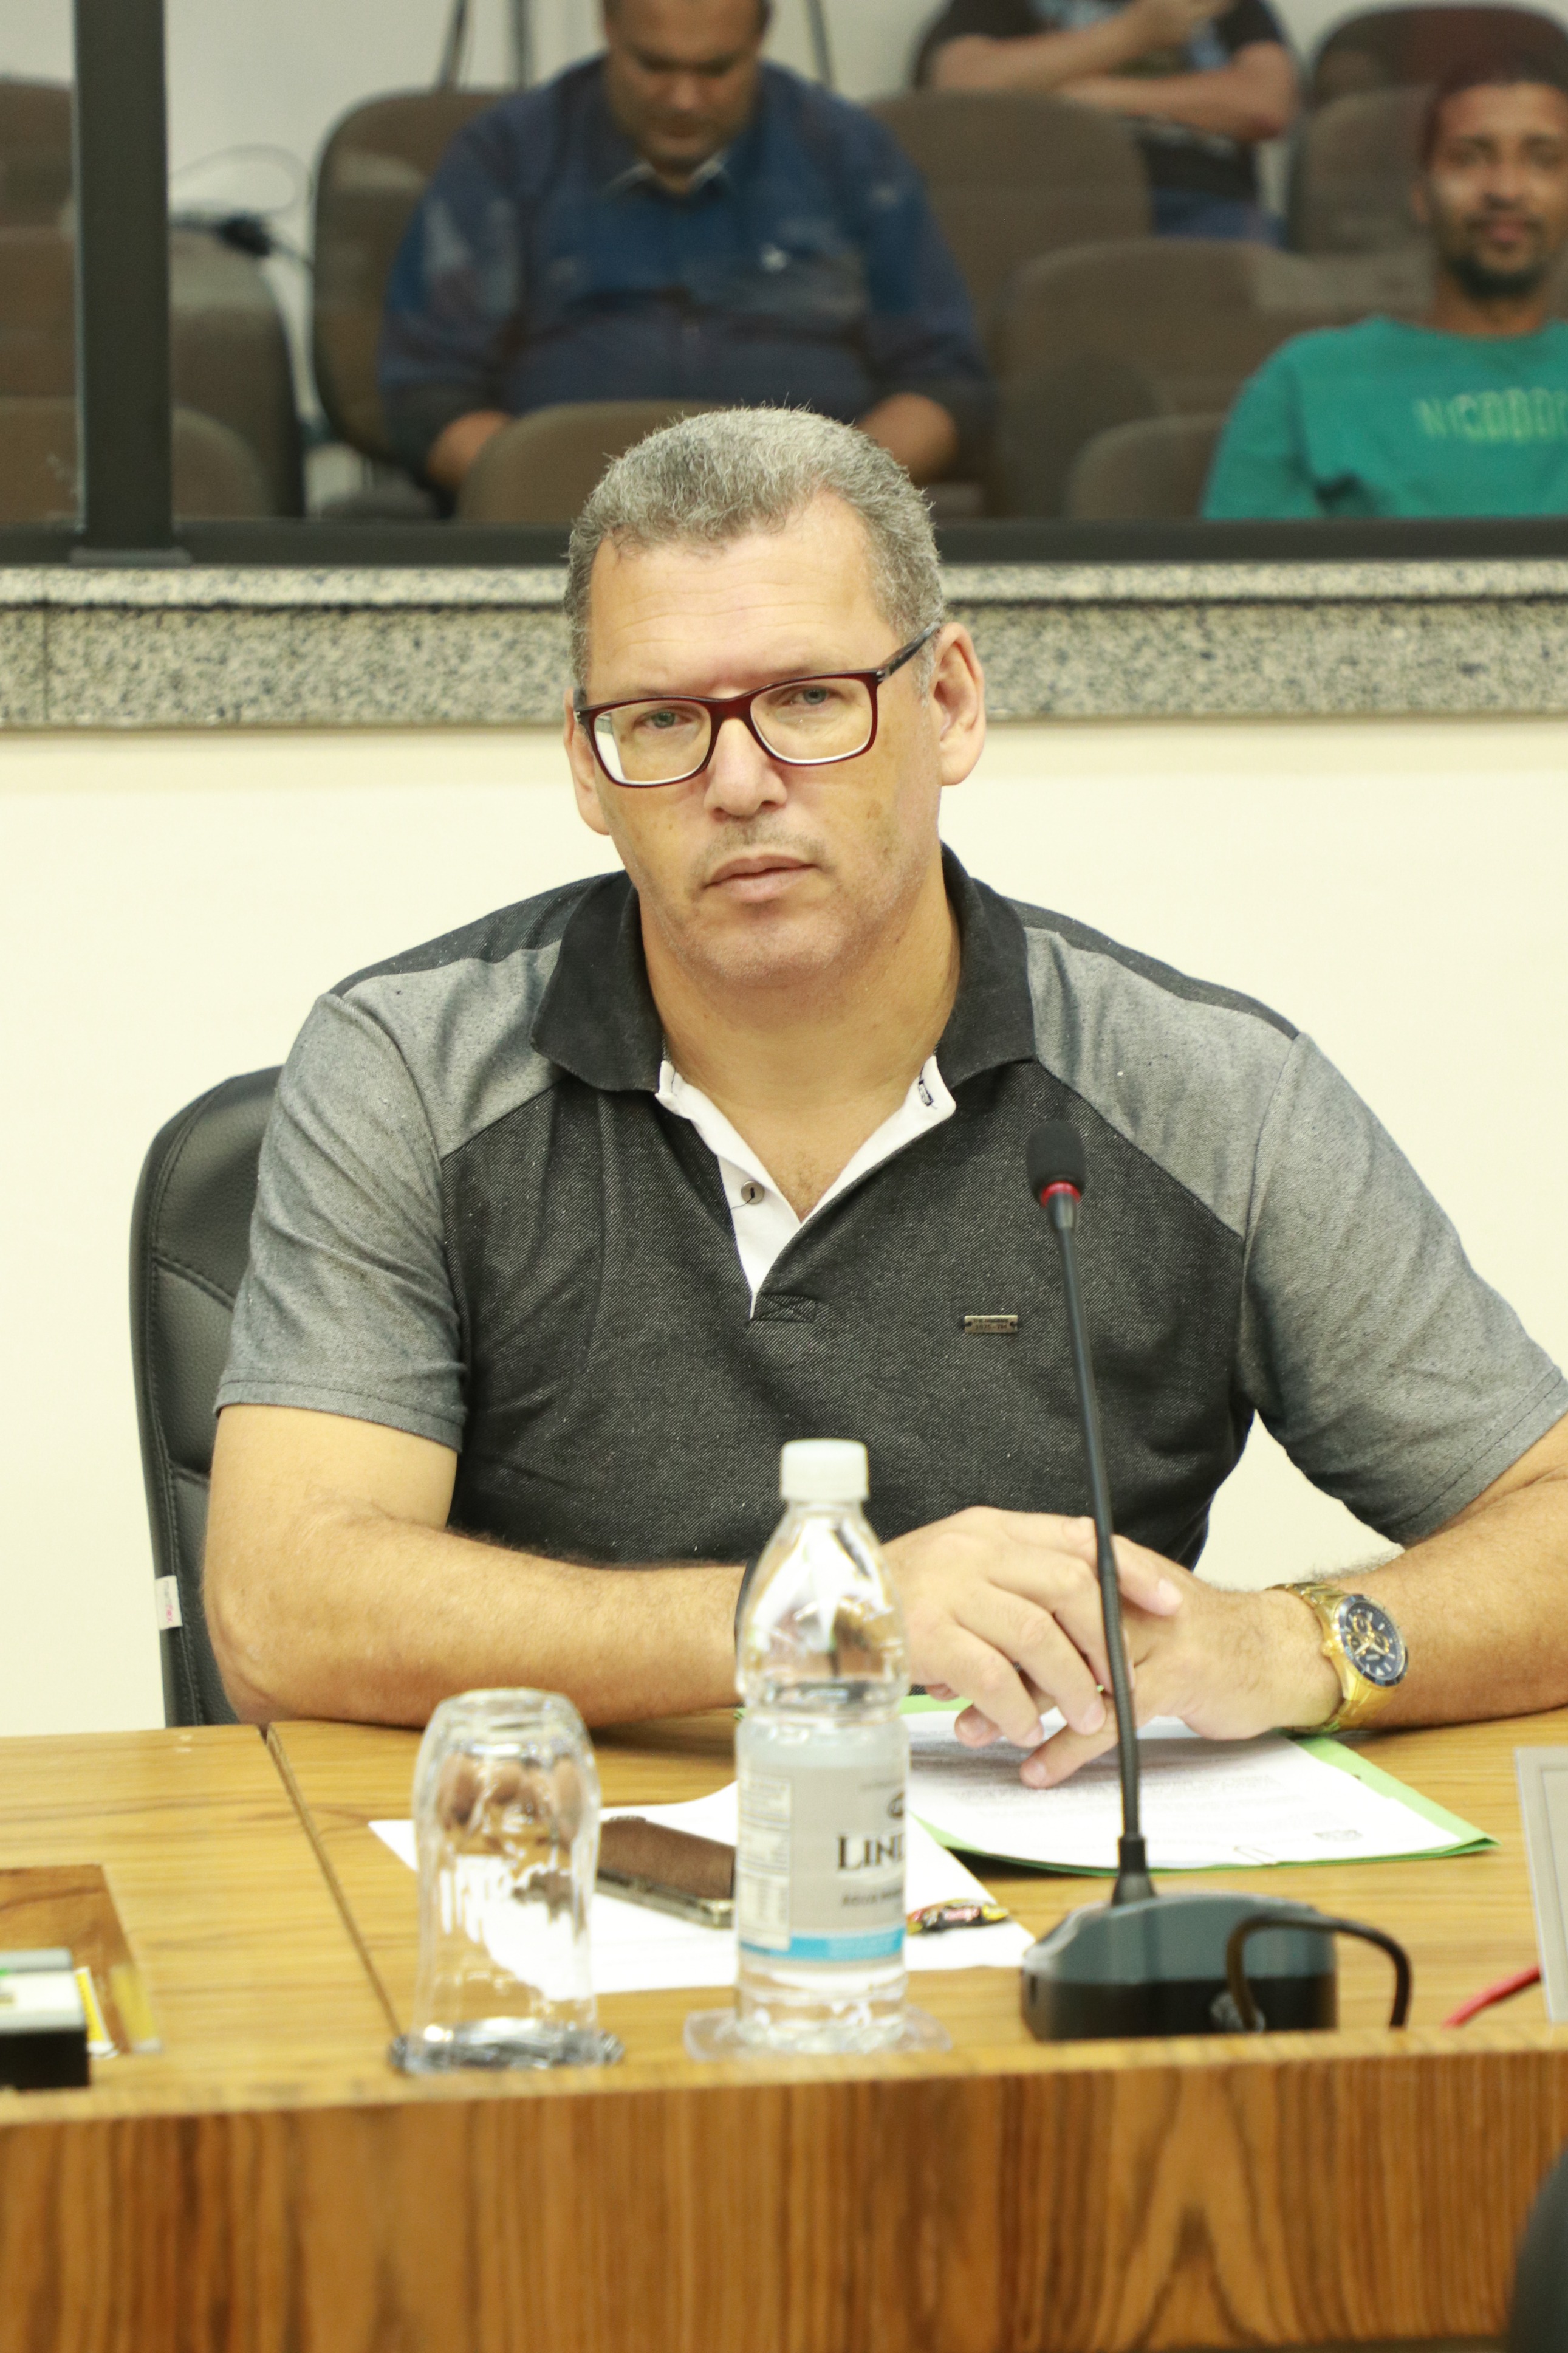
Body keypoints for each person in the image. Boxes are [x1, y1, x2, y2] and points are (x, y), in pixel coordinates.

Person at [207, 405, 1568, 1790]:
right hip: (563, 1876)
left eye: (808, 698)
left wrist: (1298, 1643)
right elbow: (282, 1607)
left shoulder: (1207, 1093)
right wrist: (823, 1614)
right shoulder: (410, 1069)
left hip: (1047, 1877)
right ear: (583, 763)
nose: (739, 783)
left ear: (949, 703)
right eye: (661, 720)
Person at [377, 0, 991, 497]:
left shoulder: (851, 154)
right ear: (608, 25)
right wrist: (561, 500)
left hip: (807, 526)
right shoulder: (504, 156)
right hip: (561, 530)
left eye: (716, 70)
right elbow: (428, 397)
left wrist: (831, 498)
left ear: (760, 38)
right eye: (654, 65)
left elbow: (944, 386)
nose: (683, 99)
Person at [1205, 55, 1568, 518]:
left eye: (1542, 161)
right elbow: (1246, 564)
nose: (1506, 189)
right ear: (1420, 197)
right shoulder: (1310, 381)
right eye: (1469, 158)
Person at [915, 0, 1297, 242]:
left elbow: (1267, 105)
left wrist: (1096, 96)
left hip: (1200, 198)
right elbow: (961, 88)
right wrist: (1135, 33)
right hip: (1047, 202)